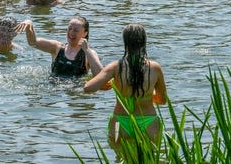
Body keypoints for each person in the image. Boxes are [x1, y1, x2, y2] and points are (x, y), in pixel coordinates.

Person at [84, 23, 167, 160]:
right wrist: (146, 95)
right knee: (151, 160)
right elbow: (162, 100)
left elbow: (88, 88)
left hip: (119, 123)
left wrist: (113, 85)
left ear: (125, 42)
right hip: (148, 122)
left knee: (121, 160)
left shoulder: (116, 67)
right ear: (144, 42)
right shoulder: (155, 68)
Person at [16, 17, 103, 77]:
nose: (71, 32)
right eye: (70, 28)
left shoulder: (89, 53)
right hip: (54, 91)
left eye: (76, 30)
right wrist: (29, 25)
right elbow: (33, 42)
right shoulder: (57, 47)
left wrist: (87, 50)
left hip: (75, 94)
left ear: (85, 33)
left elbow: (100, 76)